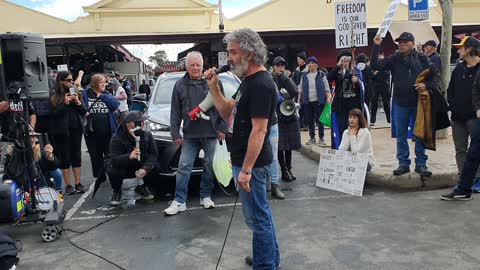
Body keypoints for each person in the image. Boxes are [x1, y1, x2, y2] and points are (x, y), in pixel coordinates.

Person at [204, 28, 281, 270]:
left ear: (249, 52)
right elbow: (227, 111)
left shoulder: (261, 84)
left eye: (233, 52)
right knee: (260, 215)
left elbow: (259, 131)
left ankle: (265, 264)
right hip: (244, 160)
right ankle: (267, 258)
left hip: (253, 165)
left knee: (257, 218)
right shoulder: (247, 81)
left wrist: (246, 170)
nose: (229, 58)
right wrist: (214, 87)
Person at [163, 51, 227, 216]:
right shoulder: (179, 85)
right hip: (190, 134)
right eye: (192, 65)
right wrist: (175, 133)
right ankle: (179, 201)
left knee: (209, 166)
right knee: (184, 167)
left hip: (211, 132)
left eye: (198, 65)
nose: (195, 68)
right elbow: (175, 111)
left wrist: (222, 128)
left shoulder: (212, 82)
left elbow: (224, 106)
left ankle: (205, 196)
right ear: (186, 66)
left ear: (202, 65)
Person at [371, 32, 434, 177]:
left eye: (405, 42)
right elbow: (375, 65)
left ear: (412, 43)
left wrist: (425, 85)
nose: (401, 44)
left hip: (419, 102)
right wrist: (376, 46)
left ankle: (421, 164)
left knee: (420, 134)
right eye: (399, 42)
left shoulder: (422, 57)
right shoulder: (394, 59)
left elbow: (433, 76)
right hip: (400, 102)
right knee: (401, 135)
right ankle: (403, 164)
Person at [441, 52, 480, 200]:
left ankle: (471, 184)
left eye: (462, 48)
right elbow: (474, 90)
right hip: (462, 117)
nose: (458, 51)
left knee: (473, 153)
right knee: (468, 153)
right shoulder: (459, 68)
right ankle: (464, 186)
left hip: (473, 119)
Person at [105, 111, 156, 205]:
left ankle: (142, 187)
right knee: (111, 168)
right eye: (141, 121)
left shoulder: (147, 134)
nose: (143, 123)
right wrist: (128, 156)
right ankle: (116, 190)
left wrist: (146, 168)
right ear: (132, 123)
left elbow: (153, 154)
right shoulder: (117, 137)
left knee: (155, 167)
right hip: (124, 166)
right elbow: (114, 160)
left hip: (140, 164)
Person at [49, 71, 87, 195]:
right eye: (68, 80)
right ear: (60, 81)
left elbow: (84, 112)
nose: (71, 82)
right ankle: (68, 185)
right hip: (61, 131)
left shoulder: (75, 92)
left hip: (75, 128)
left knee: (76, 156)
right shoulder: (55, 96)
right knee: (65, 157)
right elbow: (54, 114)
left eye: (72, 80)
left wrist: (77, 102)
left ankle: (78, 183)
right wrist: (64, 104)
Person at [82, 74, 120, 190]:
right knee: (95, 155)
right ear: (94, 83)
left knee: (109, 154)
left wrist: (103, 96)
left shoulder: (107, 94)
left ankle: (112, 175)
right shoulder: (86, 93)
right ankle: (100, 176)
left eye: (104, 82)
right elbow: (81, 106)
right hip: (92, 132)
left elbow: (115, 106)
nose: (104, 84)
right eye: (101, 82)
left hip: (108, 131)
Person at [271, 56, 301, 184]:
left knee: (289, 144)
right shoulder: (269, 78)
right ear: (273, 66)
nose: (280, 68)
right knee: (279, 146)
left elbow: (294, 91)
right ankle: (283, 171)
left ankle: (289, 169)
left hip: (288, 114)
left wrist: (284, 78)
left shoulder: (285, 78)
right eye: (278, 65)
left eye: (282, 65)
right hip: (277, 116)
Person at [328, 49, 365, 149]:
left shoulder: (355, 71)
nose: (345, 62)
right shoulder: (337, 71)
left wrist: (356, 81)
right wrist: (338, 65)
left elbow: (362, 89)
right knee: (340, 130)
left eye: (348, 59)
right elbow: (329, 78)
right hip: (340, 107)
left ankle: (354, 149)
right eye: (343, 59)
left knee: (353, 129)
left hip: (353, 106)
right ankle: (339, 149)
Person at [300, 56, 332, 146]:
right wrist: (299, 98)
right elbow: (300, 88)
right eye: (309, 63)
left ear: (317, 65)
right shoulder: (304, 75)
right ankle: (312, 138)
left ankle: (321, 138)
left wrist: (328, 98)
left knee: (320, 120)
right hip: (307, 101)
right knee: (309, 120)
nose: (311, 65)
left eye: (313, 63)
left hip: (319, 100)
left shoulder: (321, 74)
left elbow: (326, 88)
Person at [370, 52, 391, 126]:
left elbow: (387, 74)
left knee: (386, 103)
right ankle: (372, 121)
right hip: (375, 84)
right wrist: (374, 73)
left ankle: (389, 120)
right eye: (378, 55)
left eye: (381, 55)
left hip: (384, 84)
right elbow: (370, 76)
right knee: (374, 103)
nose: (380, 57)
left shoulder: (385, 63)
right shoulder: (373, 64)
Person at [293, 52, 309, 131]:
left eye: (299, 59)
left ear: (303, 60)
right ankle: (300, 125)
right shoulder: (296, 70)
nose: (298, 61)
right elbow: (293, 81)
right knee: (299, 108)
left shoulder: (308, 69)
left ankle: (306, 125)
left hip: (306, 92)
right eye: (297, 59)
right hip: (297, 92)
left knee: (306, 109)